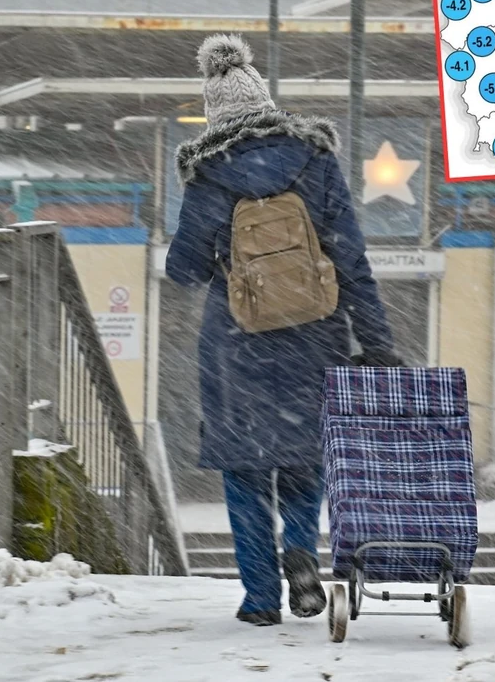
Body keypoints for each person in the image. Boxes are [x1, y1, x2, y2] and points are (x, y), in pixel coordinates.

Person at [166, 34, 402, 627]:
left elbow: (185, 270)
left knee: (245, 472)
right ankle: (301, 550)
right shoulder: (315, 159)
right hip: (314, 336)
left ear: (214, 113)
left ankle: (260, 598)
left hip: (234, 344)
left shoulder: (207, 174)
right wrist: (376, 342)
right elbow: (351, 259)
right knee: (303, 459)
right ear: (267, 101)